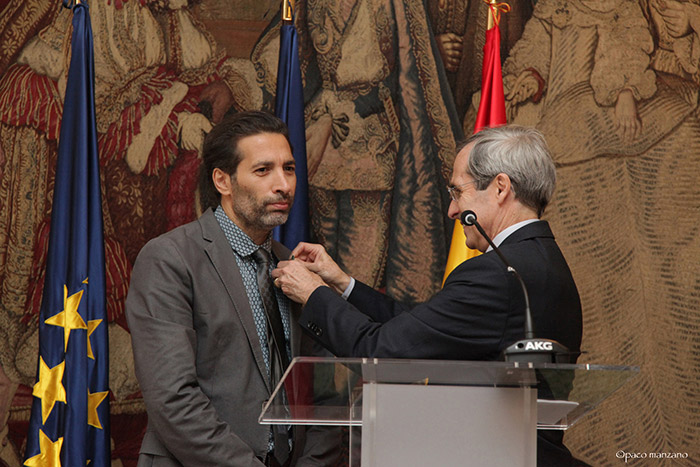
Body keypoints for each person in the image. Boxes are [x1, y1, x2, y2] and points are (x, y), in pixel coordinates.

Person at [272, 125, 585, 466]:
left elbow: (382, 352)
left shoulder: (497, 273)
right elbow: (424, 329)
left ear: (500, 188)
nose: (451, 210)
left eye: (457, 192)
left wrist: (314, 292)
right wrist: (343, 283)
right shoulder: (545, 260)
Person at [126, 111, 339, 467]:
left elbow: (323, 393)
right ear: (223, 181)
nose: (283, 184)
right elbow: (173, 399)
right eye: (263, 170)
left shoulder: (295, 269)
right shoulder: (169, 259)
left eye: (288, 168)